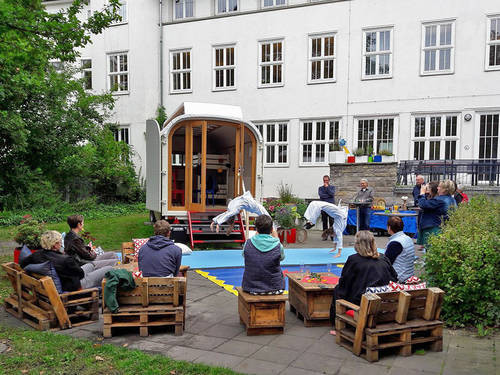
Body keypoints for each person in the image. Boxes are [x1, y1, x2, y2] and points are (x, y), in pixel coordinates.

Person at [329, 231, 398, 334]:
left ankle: (337, 325)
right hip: (384, 302)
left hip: (362, 304)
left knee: (338, 289)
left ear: (358, 245)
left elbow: (345, 283)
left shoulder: (354, 260)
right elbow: (394, 278)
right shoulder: (383, 258)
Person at [20, 230, 113, 291]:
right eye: (60, 241)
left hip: (66, 279)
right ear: (55, 244)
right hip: (75, 285)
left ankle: (95, 267)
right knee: (109, 268)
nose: (61, 243)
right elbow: (80, 273)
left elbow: (22, 263)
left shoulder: (36, 255)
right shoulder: (65, 260)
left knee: (92, 265)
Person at [241, 215, 285, 295]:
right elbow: (281, 258)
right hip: (275, 288)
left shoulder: (247, 243)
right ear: (272, 229)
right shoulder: (278, 245)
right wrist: (277, 239)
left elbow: (245, 255)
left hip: (251, 288)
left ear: (256, 229)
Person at [416, 181, 447, 249]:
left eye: (428, 188)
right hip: (430, 226)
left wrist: (422, 193)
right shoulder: (435, 199)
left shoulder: (438, 200)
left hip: (432, 228)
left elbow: (423, 204)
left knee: (430, 249)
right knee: (428, 250)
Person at [385, 217, 415, 283]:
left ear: (389, 228)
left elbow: (386, 263)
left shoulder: (395, 243)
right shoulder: (408, 238)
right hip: (409, 275)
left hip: (399, 278)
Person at [318, 175, 335, 239]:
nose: (325, 181)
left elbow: (332, 194)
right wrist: (328, 196)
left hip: (331, 207)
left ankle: (332, 235)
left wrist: (327, 188)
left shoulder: (332, 187)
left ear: (329, 180)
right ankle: (325, 236)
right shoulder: (320, 188)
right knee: (324, 222)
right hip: (323, 207)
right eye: (324, 180)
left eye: (327, 180)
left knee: (331, 222)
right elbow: (321, 196)